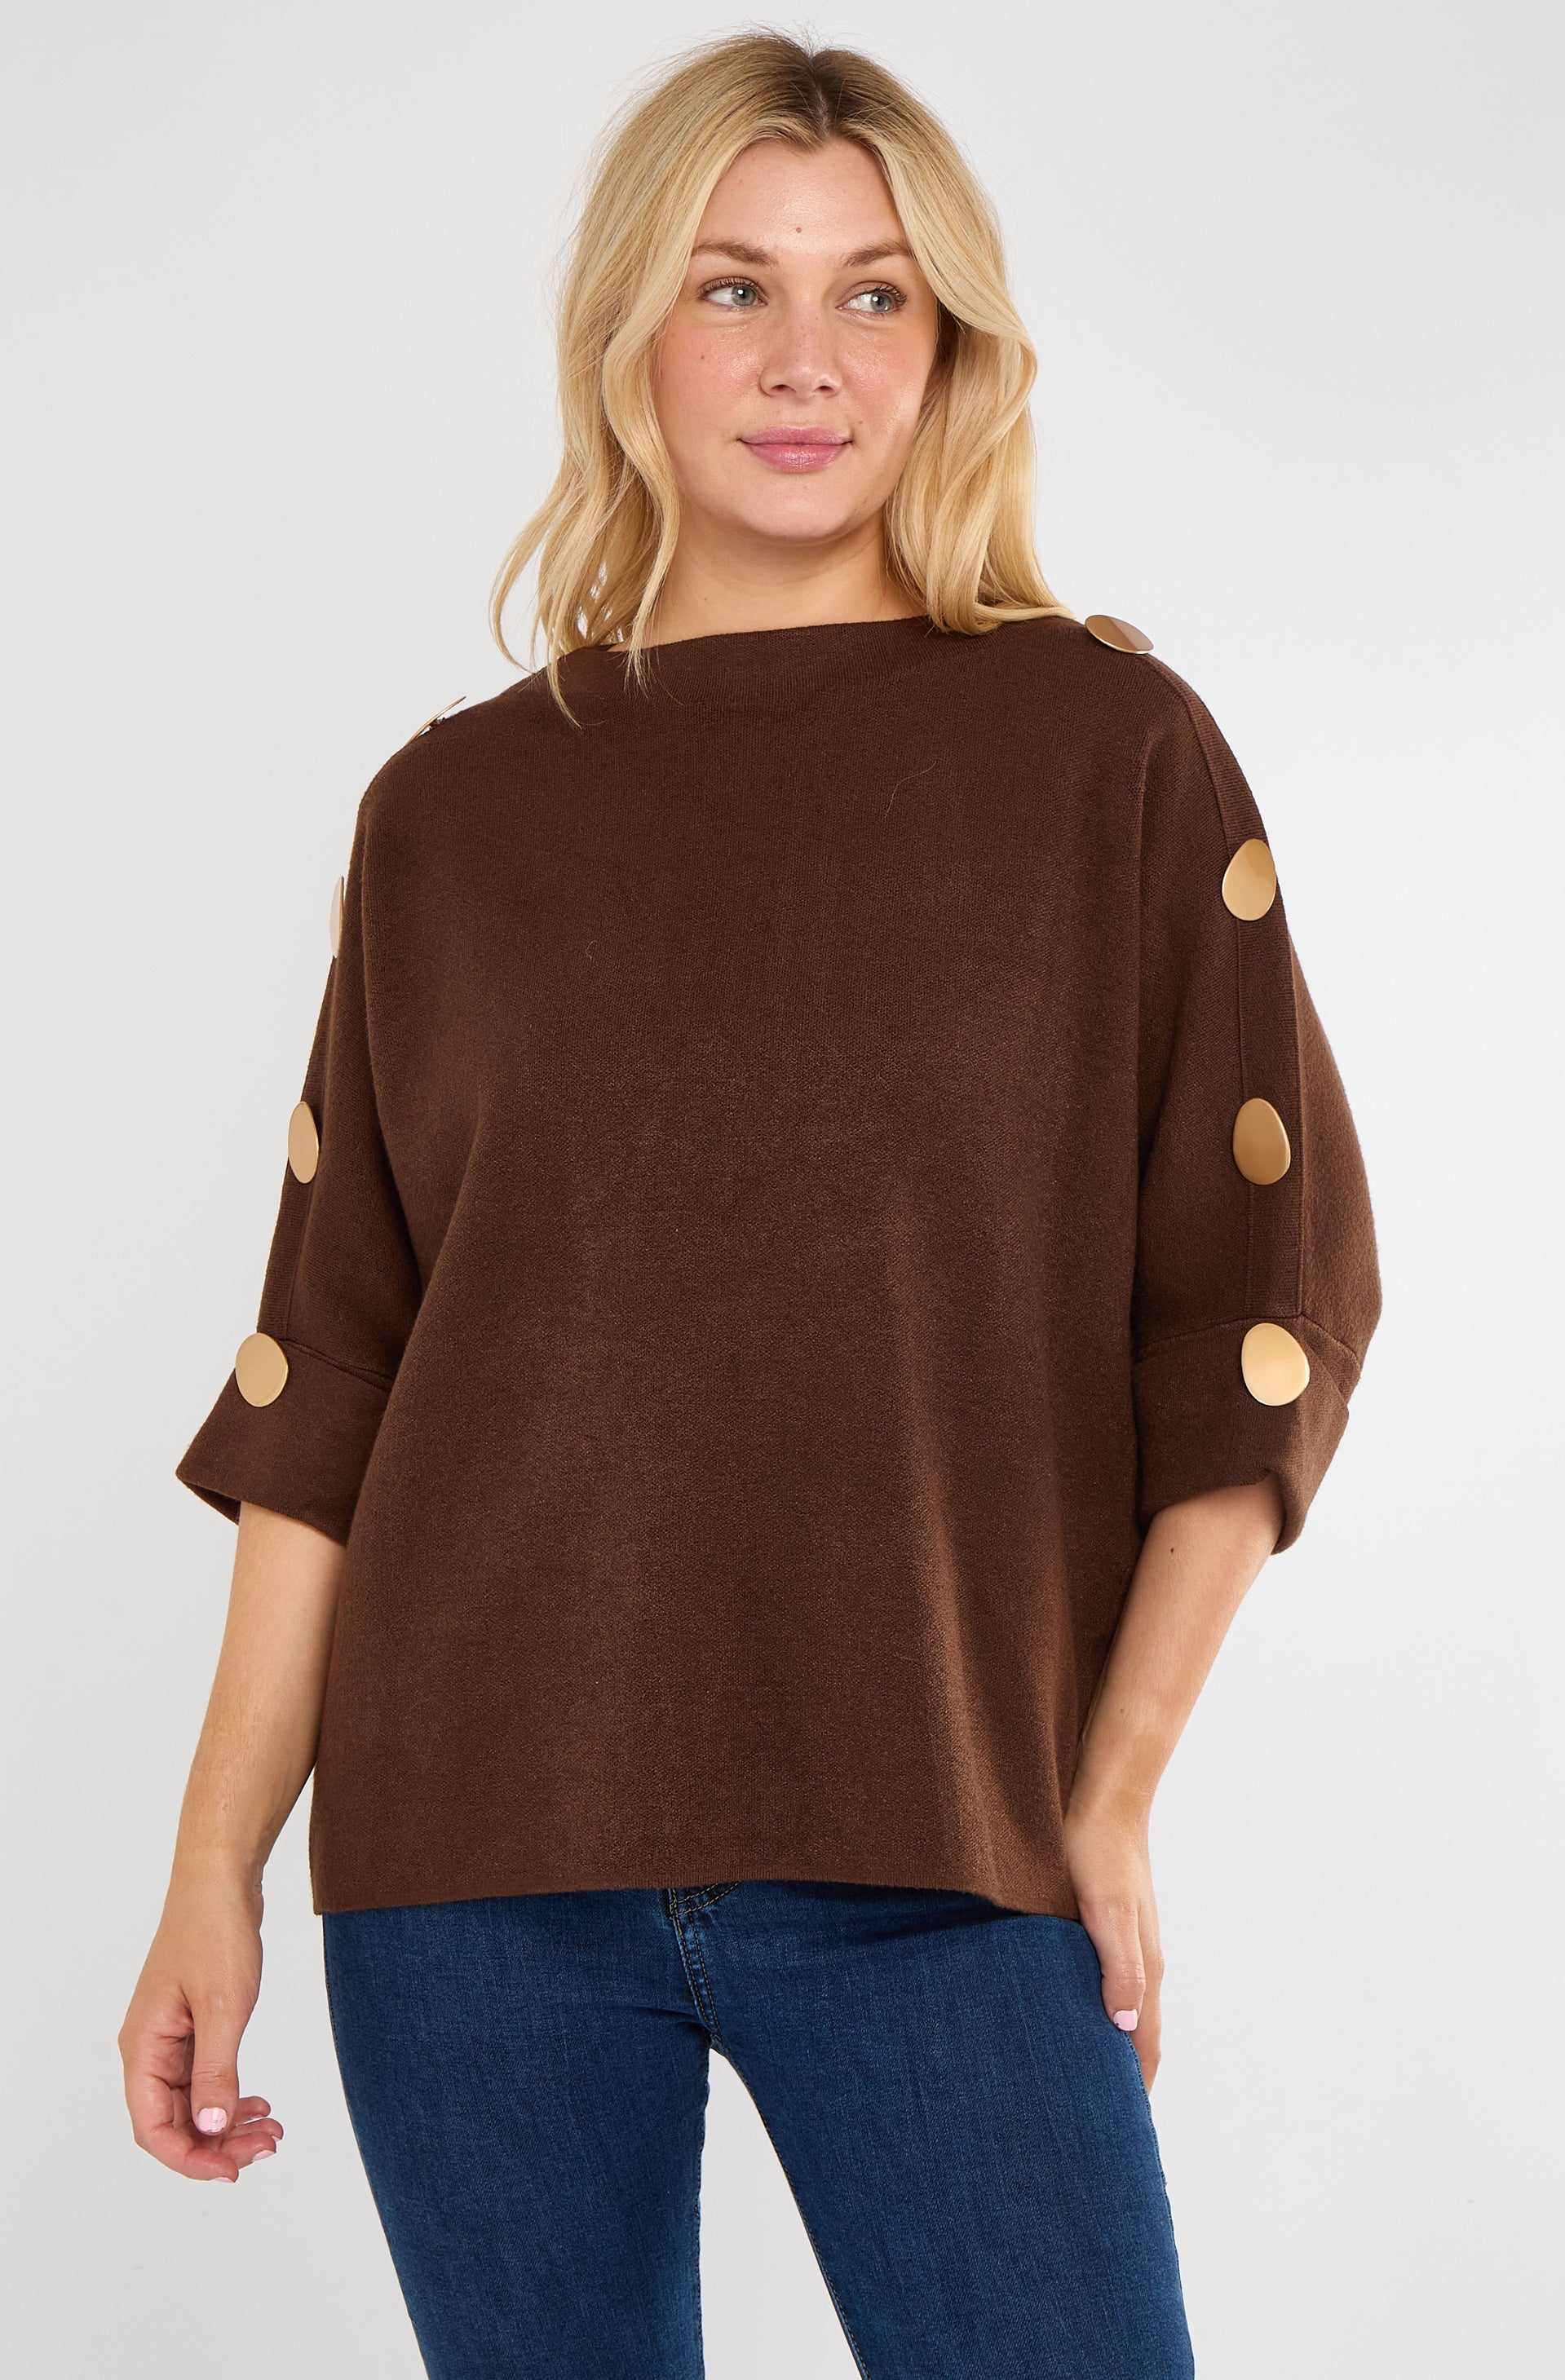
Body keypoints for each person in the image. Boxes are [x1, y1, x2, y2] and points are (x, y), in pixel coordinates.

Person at [120, 29, 1381, 2379]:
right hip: (471, 1872)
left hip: (945, 1850)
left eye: (874, 293)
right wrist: (213, 1864)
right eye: (733, 287)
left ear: (952, 345)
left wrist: (1106, 1796)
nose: (808, 360)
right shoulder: (450, 815)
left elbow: (1261, 1309)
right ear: (629, 335)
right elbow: (334, 1371)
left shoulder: (1106, 750)